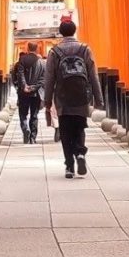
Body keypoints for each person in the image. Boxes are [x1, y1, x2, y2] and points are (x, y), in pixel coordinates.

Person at [43, 20, 104, 178]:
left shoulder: (54, 52)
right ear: (75, 30)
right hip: (81, 96)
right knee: (79, 127)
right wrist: (99, 100)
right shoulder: (85, 49)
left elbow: (49, 79)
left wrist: (47, 101)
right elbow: (93, 76)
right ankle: (80, 153)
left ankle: (69, 166)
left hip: (62, 98)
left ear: (61, 32)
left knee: (65, 131)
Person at [11, 42, 46, 144]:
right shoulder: (42, 62)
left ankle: (25, 128)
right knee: (34, 115)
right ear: (37, 49)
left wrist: (24, 86)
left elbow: (20, 74)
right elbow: (43, 78)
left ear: (27, 48)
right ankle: (33, 138)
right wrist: (34, 87)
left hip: (23, 93)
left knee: (23, 114)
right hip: (36, 93)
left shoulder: (22, 60)